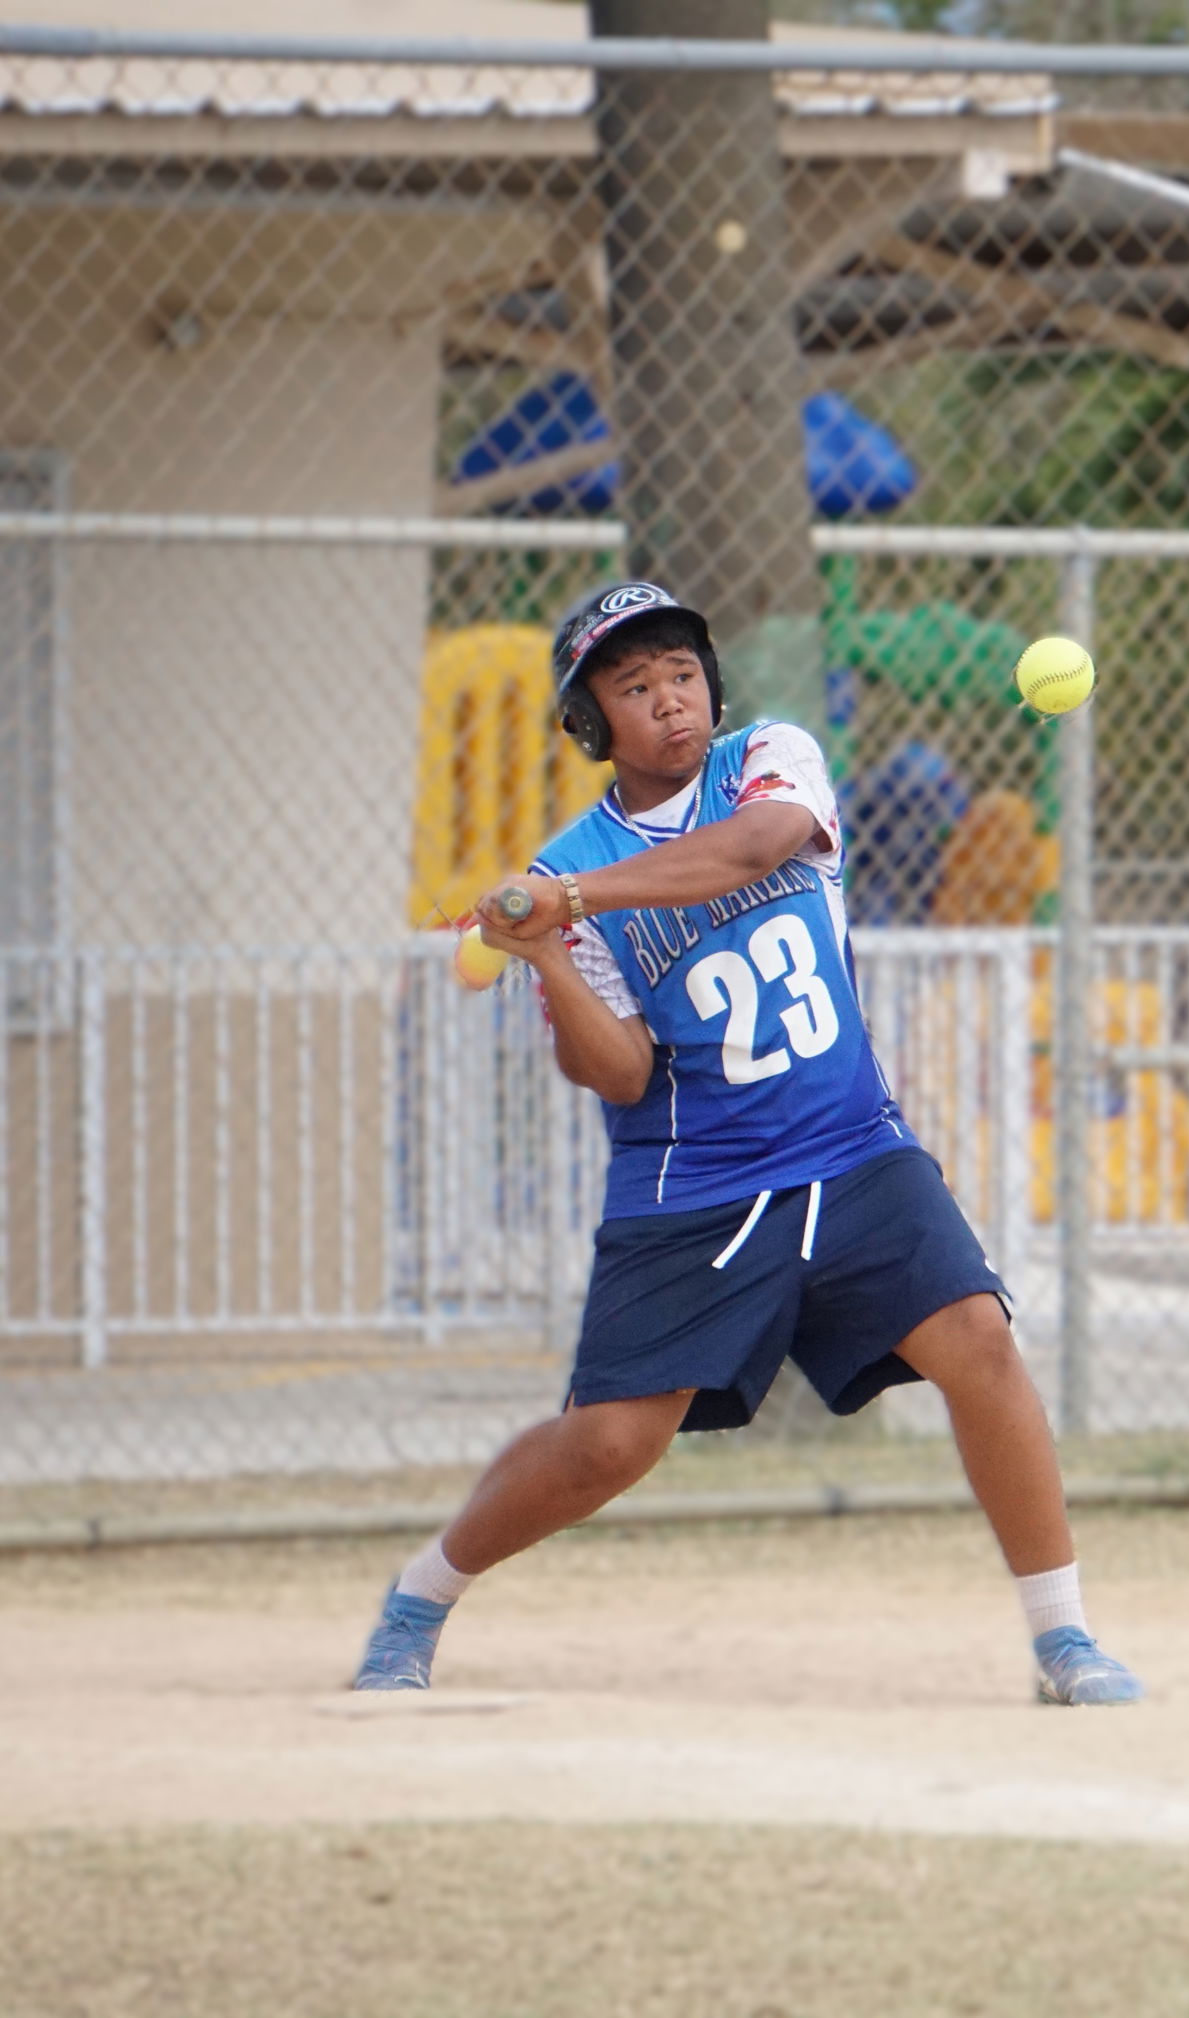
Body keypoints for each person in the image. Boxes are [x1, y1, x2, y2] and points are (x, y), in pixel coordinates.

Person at [353, 581, 1142, 1708]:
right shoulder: (573, 857)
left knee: (977, 1336)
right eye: (633, 686)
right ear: (593, 725)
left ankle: (1064, 1638)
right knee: (609, 1446)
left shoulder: (769, 759)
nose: (669, 700)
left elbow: (757, 847)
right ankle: (419, 1598)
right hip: (697, 1186)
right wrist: (549, 956)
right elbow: (617, 1071)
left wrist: (565, 896)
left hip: (853, 1148)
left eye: (680, 673)